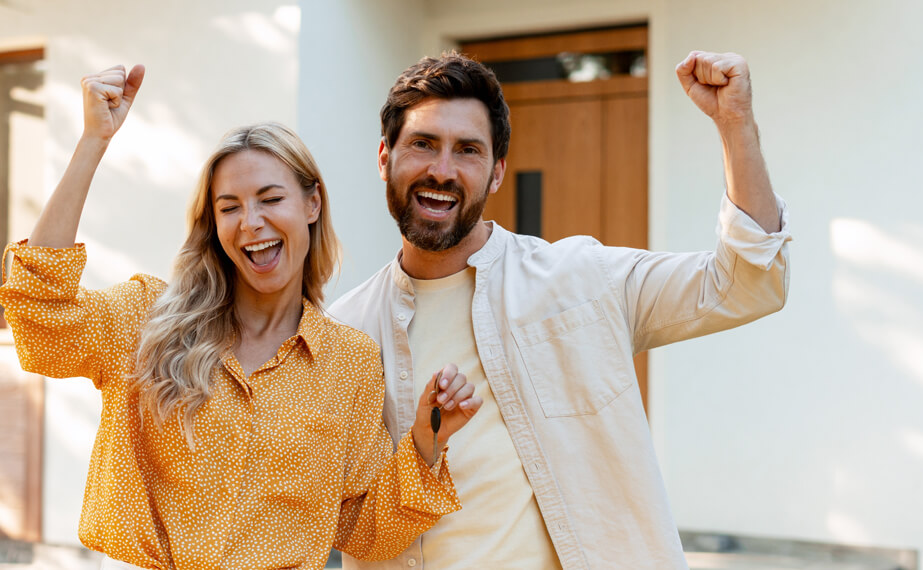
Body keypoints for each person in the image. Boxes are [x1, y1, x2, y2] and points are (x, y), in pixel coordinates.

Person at [0, 64, 484, 569]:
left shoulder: (350, 362)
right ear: (213, 222)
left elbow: (362, 529)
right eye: (229, 207)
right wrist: (92, 142)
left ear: (312, 203)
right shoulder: (148, 318)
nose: (252, 223)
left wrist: (430, 439)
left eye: (271, 199)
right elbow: (40, 321)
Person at [329, 51, 791, 569]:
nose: (443, 170)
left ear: (497, 172)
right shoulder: (343, 333)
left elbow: (748, 283)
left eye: (468, 151)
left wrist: (735, 124)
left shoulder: (580, 280)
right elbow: (342, 521)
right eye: (423, 144)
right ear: (384, 157)